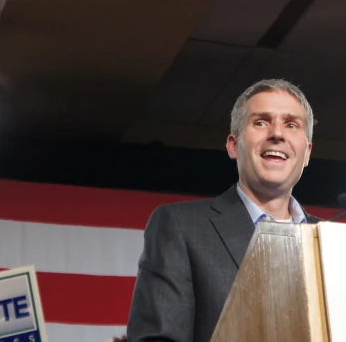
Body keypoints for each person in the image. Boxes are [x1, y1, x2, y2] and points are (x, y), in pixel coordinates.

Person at [126, 79, 321, 342]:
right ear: (233, 145)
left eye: (291, 124)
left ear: (307, 152)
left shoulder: (330, 240)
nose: (277, 134)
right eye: (261, 122)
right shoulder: (181, 227)